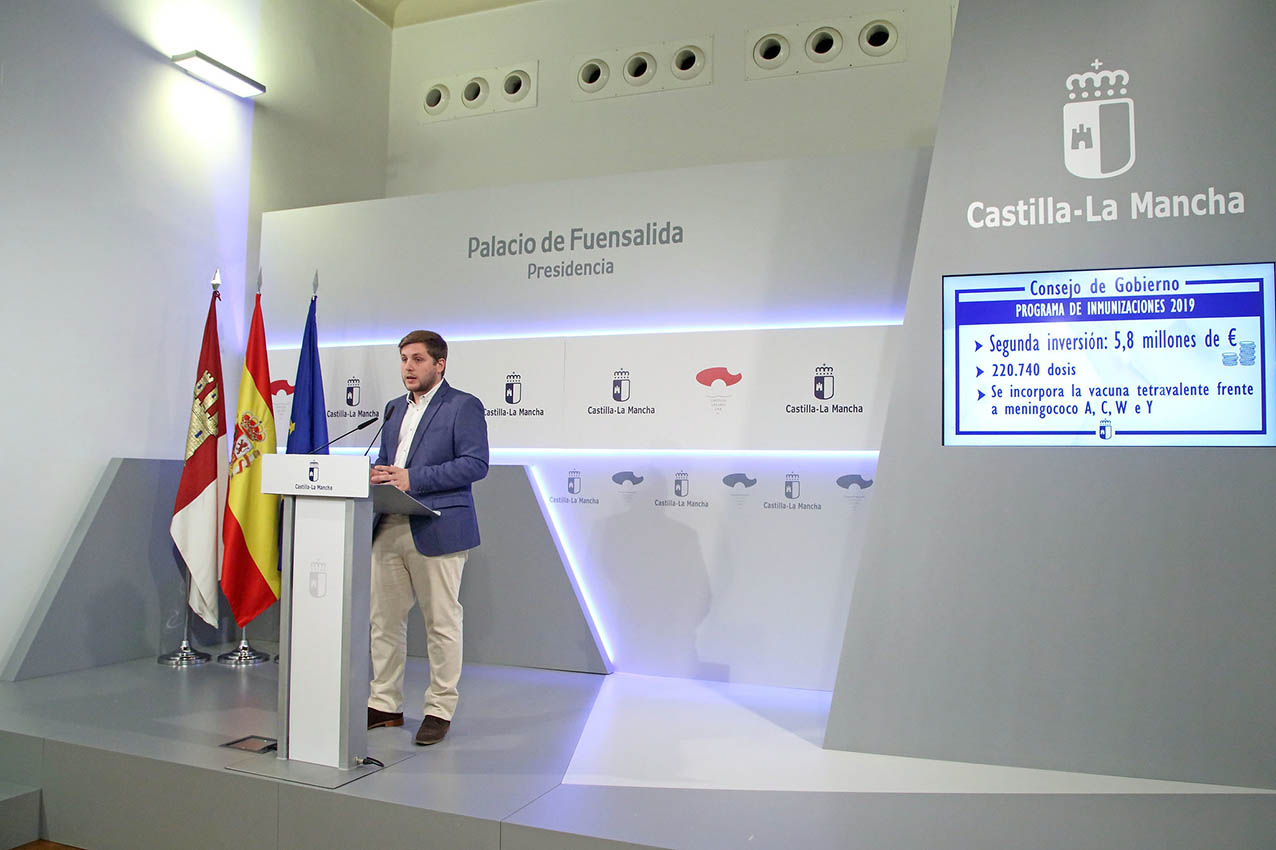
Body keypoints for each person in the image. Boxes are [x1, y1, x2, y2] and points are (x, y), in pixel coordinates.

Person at [366, 330, 489, 745]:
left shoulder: (463, 406)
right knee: (383, 621)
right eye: (403, 359)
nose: (407, 367)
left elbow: (475, 464)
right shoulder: (391, 409)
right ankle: (384, 704)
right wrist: (379, 474)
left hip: (437, 525)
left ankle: (439, 708)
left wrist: (412, 479)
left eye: (417, 359)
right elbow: (389, 461)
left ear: (440, 364)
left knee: (441, 623)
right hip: (388, 524)